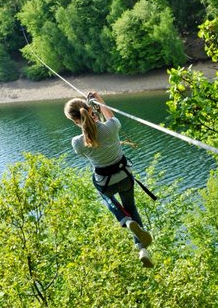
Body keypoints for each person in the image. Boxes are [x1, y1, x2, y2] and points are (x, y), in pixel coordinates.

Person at [64, 91, 154, 268]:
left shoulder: (77, 142)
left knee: (103, 192)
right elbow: (109, 115)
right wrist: (98, 100)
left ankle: (124, 220)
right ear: (90, 110)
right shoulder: (111, 127)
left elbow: (90, 143)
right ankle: (142, 248)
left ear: (75, 121)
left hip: (105, 182)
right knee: (131, 207)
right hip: (125, 176)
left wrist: (91, 116)